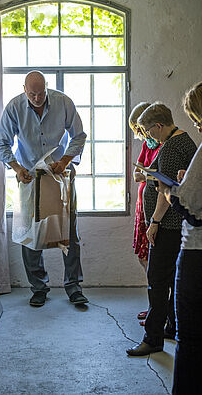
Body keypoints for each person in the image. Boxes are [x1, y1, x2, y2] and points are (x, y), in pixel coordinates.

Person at [0, 71, 89, 307]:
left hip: (60, 174)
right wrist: (16, 167)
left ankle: (73, 287)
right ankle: (38, 288)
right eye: (32, 94)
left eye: (41, 93)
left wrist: (65, 160)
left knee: (69, 233)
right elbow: (2, 141)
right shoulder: (14, 107)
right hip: (29, 176)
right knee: (31, 236)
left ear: (47, 88)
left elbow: (79, 136)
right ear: (24, 90)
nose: (37, 98)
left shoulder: (64, 102)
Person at [126, 102, 197, 356]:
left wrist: (153, 222)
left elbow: (164, 193)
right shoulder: (184, 141)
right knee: (168, 279)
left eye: (148, 131)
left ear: (159, 126)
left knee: (156, 280)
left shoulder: (172, 147)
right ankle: (171, 327)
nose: (148, 137)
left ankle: (152, 338)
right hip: (176, 225)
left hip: (168, 225)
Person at [157, 82, 202, 394]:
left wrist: (170, 191)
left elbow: (191, 207)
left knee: (189, 339)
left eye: (197, 119)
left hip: (197, 251)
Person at [129, 102, 160, 322]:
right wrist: (139, 174)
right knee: (143, 256)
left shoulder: (163, 146)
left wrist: (145, 176)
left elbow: (156, 177)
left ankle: (158, 307)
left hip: (155, 206)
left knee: (154, 258)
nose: (140, 136)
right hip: (143, 204)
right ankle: (154, 305)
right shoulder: (147, 146)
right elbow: (137, 170)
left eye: (140, 131)